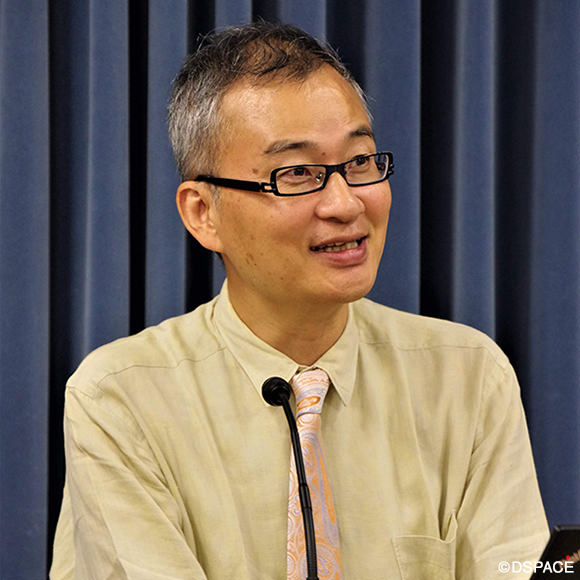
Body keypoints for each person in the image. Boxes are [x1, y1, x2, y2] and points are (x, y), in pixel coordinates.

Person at [51, 21, 548, 579]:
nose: (345, 203)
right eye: (298, 173)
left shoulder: (467, 378)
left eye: (359, 162)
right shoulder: (120, 400)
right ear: (203, 213)